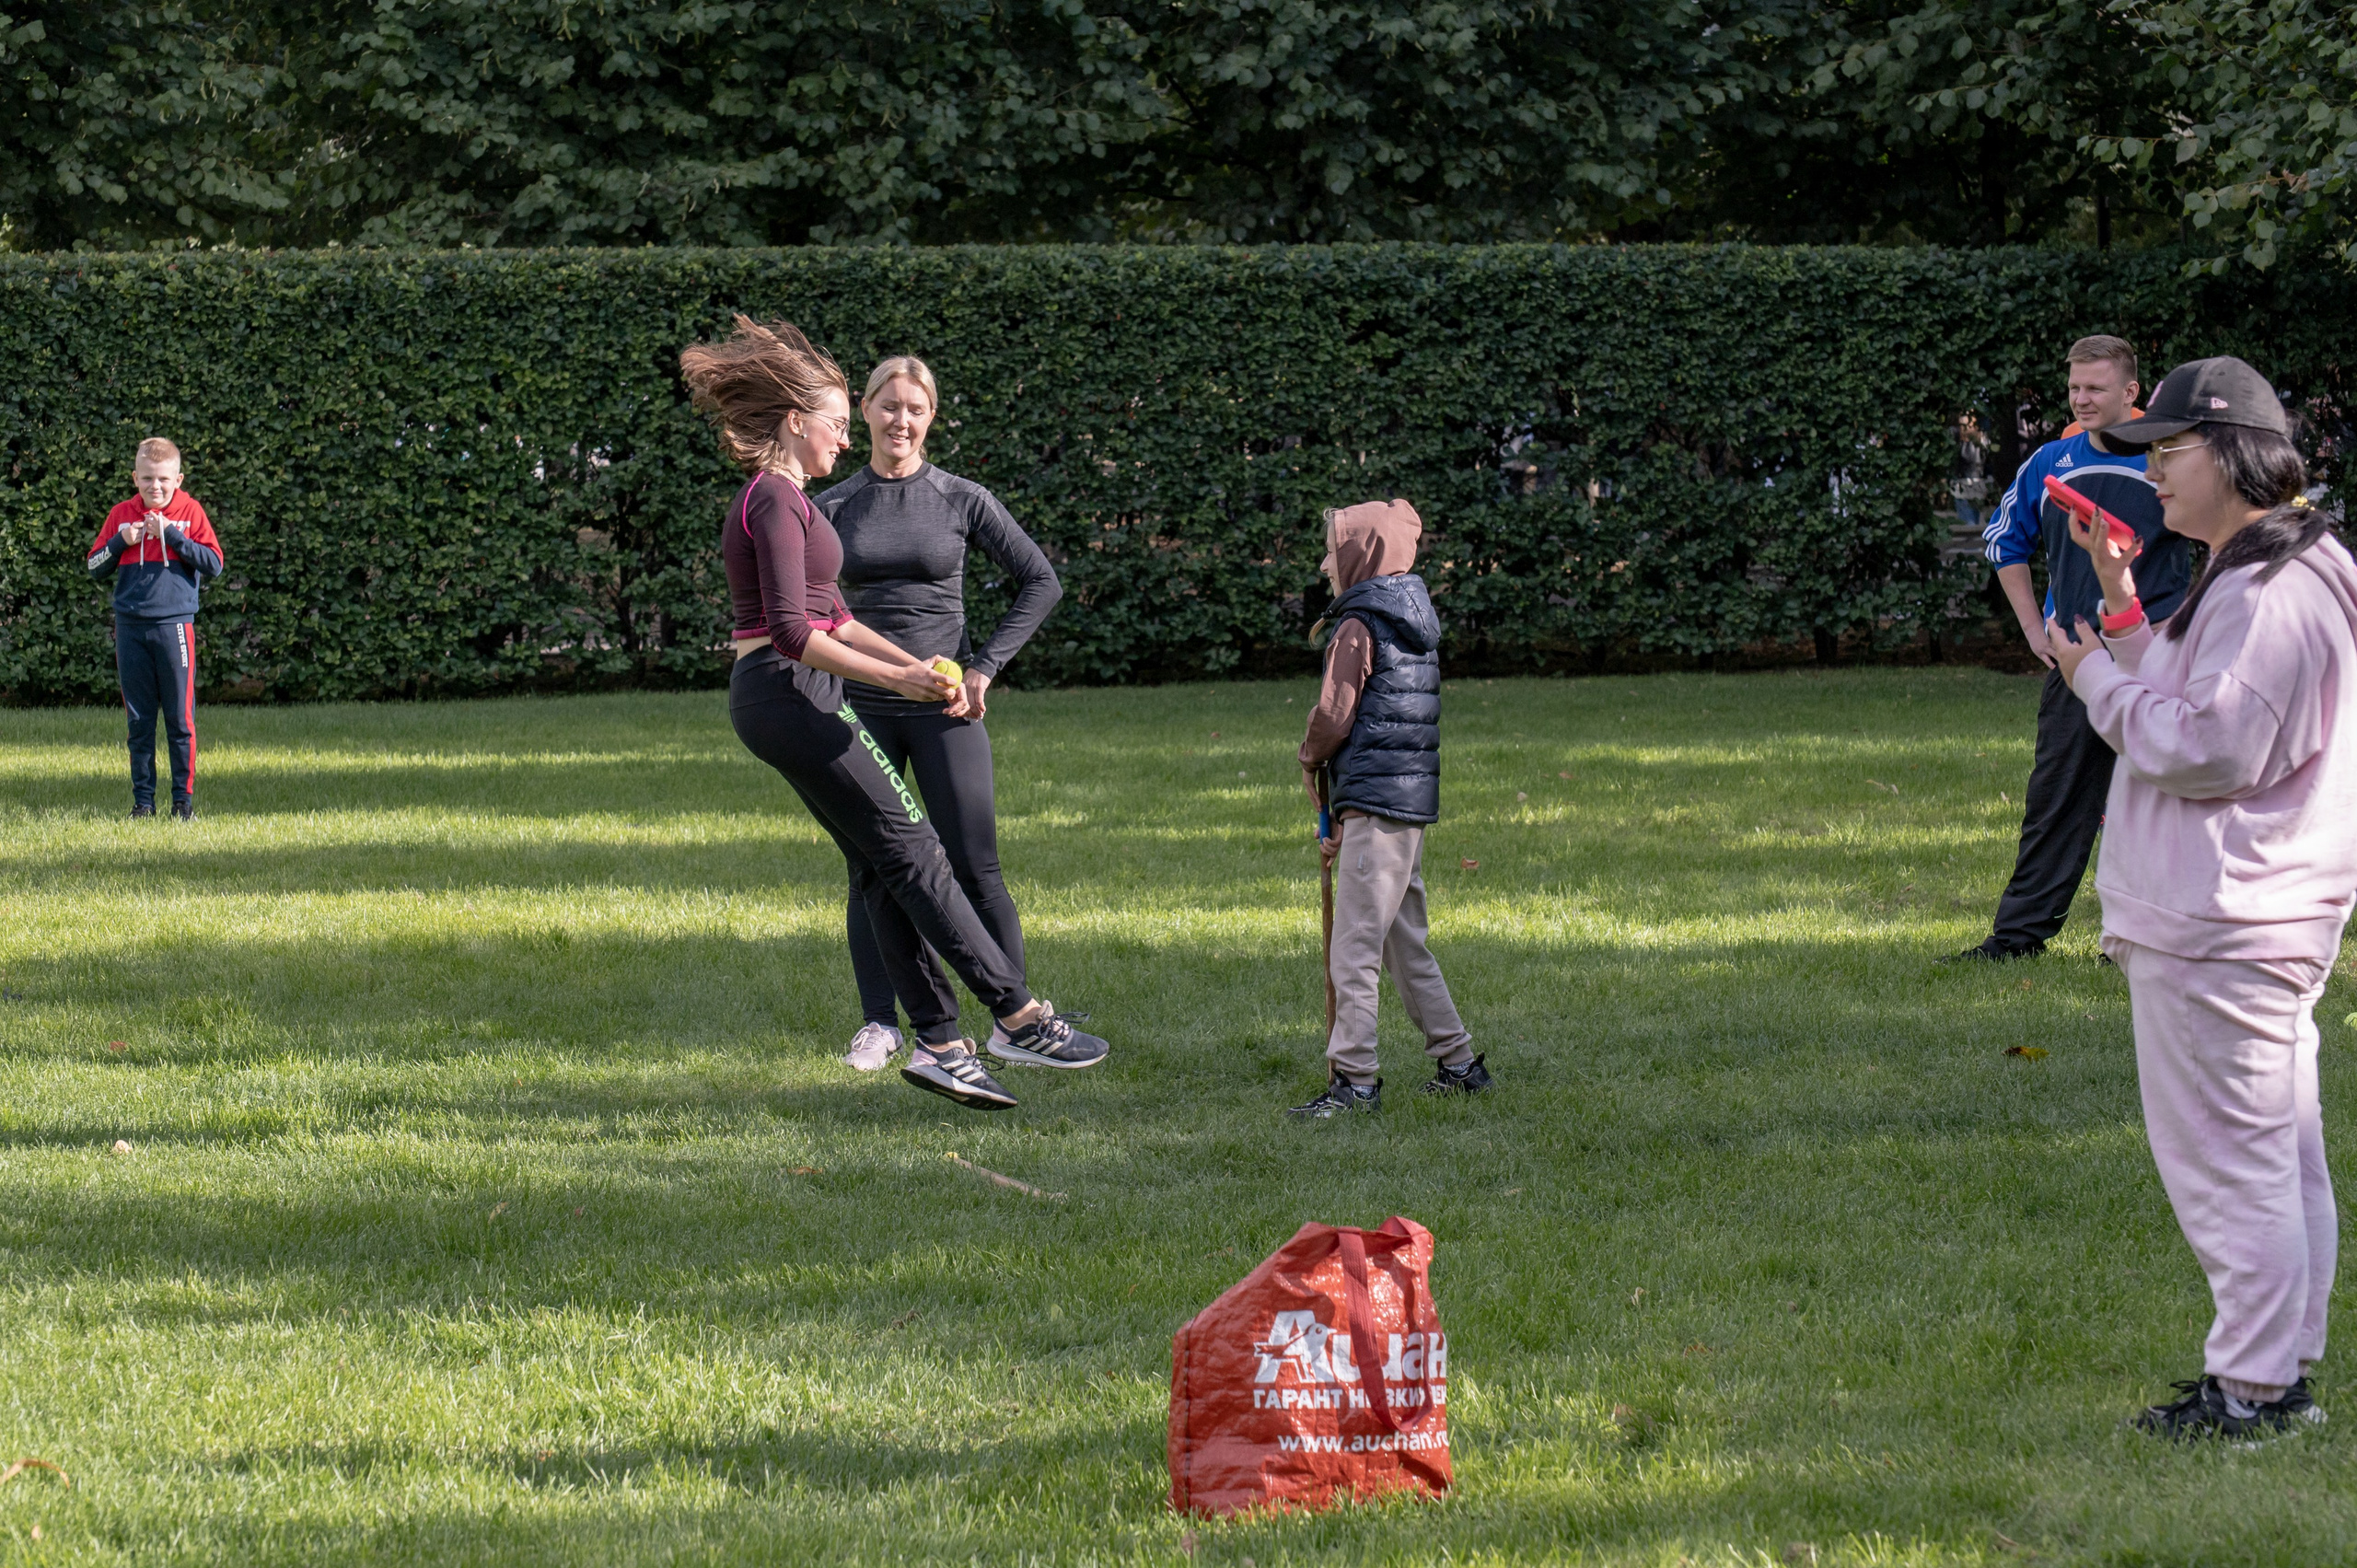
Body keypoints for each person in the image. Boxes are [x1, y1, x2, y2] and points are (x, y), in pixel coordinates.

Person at [678, 315, 1108, 1111]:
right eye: (840, 425)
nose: (845, 441)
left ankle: (945, 1045)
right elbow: (793, 633)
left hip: (793, 694)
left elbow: (835, 616)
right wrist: (900, 684)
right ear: (797, 421)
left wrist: (912, 669)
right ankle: (1014, 1016)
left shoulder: (799, 502)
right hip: (789, 693)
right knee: (915, 852)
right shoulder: (774, 500)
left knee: (894, 859)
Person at [2046, 354, 2353, 1440]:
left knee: (2232, 1166)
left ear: (2229, 454)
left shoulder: (2273, 587)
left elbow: (2210, 746)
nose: (2150, 476)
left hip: (2223, 916)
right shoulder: (2265, 564)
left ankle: (2253, 1392)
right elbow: (2196, 687)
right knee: (2274, 1153)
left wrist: (2090, 677)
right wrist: (2125, 613)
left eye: (2167, 451)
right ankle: (2278, 1374)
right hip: (2244, 909)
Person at [815, 356, 1076, 1074]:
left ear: (931, 417)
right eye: (889, 405)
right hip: (860, 707)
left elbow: (1040, 581)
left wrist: (985, 668)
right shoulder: (833, 507)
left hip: (945, 706)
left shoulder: (963, 498)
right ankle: (881, 1023)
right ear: (864, 410)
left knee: (974, 865)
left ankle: (1013, 1022)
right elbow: (811, 611)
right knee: (871, 867)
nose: (902, 420)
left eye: (916, 409)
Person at [1950, 335, 2192, 962]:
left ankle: (2143, 941)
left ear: (2131, 391)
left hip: (2157, 658)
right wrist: (2035, 631)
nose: (2082, 399)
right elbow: (2005, 544)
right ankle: (2017, 939)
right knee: (2055, 800)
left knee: (2159, 804)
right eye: (2075, 388)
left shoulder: (2170, 464)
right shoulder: (2049, 463)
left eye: (2096, 388)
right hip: (2077, 661)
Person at [1287, 499, 1488, 1118]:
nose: (1325, 564)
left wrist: (1309, 756)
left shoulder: (1358, 626)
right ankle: (1458, 1062)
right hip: (1403, 804)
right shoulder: (1409, 615)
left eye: (1333, 550)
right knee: (1405, 943)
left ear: (1362, 555)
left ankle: (1355, 1080)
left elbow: (1334, 715)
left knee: (1353, 946)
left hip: (1377, 806)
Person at [85, 437, 223, 820]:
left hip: (175, 627)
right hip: (130, 629)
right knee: (139, 721)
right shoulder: (121, 514)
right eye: (147, 479)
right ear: (135, 477)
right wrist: (119, 541)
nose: (155, 487)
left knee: (180, 719)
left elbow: (214, 563)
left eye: (163, 479)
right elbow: (95, 566)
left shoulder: (190, 513)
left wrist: (171, 535)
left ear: (178, 478)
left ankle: (183, 803)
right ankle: (143, 803)